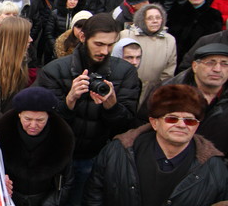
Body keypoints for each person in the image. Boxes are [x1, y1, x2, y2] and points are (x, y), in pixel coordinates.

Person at [34, 13, 140, 205]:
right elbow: (41, 120)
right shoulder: (55, 70)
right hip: (57, 155)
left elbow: (127, 124)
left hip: (95, 156)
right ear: (83, 37)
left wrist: (112, 107)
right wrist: (69, 101)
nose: (105, 51)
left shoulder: (125, 72)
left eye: (110, 45)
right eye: (99, 44)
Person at [84, 84, 228, 205]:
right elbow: (94, 196)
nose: (181, 125)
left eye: (189, 121)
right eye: (172, 119)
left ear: (197, 126)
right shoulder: (117, 151)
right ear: (154, 122)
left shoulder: (215, 168)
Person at [139, 43, 228, 156]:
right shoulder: (167, 91)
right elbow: (142, 126)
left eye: (225, 64)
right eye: (210, 63)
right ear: (195, 66)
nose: (217, 69)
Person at [0, 87, 74, 206]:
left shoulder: (62, 138)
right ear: (19, 114)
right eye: (28, 119)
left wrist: (50, 203)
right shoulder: (0, 134)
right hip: (10, 197)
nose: (33, 125)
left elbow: (67, 181)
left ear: (49, 117)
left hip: (45, 198)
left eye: (40, 120)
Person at [168, 0, 222, 65]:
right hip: (176, 54)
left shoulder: (214, 14)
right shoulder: (177, 11)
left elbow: (214, 38)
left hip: (201, 56)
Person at [120, 3, 177, 86]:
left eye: (158, 18)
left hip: (153, 89)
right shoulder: (126, 35)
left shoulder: (169, 40)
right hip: (128, 86)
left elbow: (169, 69)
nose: (155, 21)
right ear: (142, 20)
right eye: (150, 18)